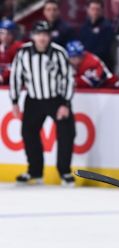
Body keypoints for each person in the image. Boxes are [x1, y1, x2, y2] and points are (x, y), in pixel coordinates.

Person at [9, 21, 75, 186]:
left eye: (45, 34)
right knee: (28, 133)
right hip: (33, 99)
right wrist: (15, 101)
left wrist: (65, 103)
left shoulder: (59, 53)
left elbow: (68, 78)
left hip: (56, 99)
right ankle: (35, 172)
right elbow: (16, 77)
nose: (42, 38)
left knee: (67, 133)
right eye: (39, 34)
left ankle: (64, 172)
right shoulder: (23, 53)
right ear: (33, 36)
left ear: (50, 36)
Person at [78, 0, 115, 69]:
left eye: (97, 9)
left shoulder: (107, 27)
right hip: (86, 64)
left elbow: (104, 49)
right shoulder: (84, 26)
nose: (95, 12)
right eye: (92, 9)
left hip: (102, 65)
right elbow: (81, 44)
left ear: (102, 11)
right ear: (88, 10)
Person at [0, 20, 22, 85]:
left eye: (8, 33)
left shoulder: (18, 47)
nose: (5, 36)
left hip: (14, 85)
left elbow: (16, 67)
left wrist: (3, 77)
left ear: (14, 34)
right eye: (2, 33)